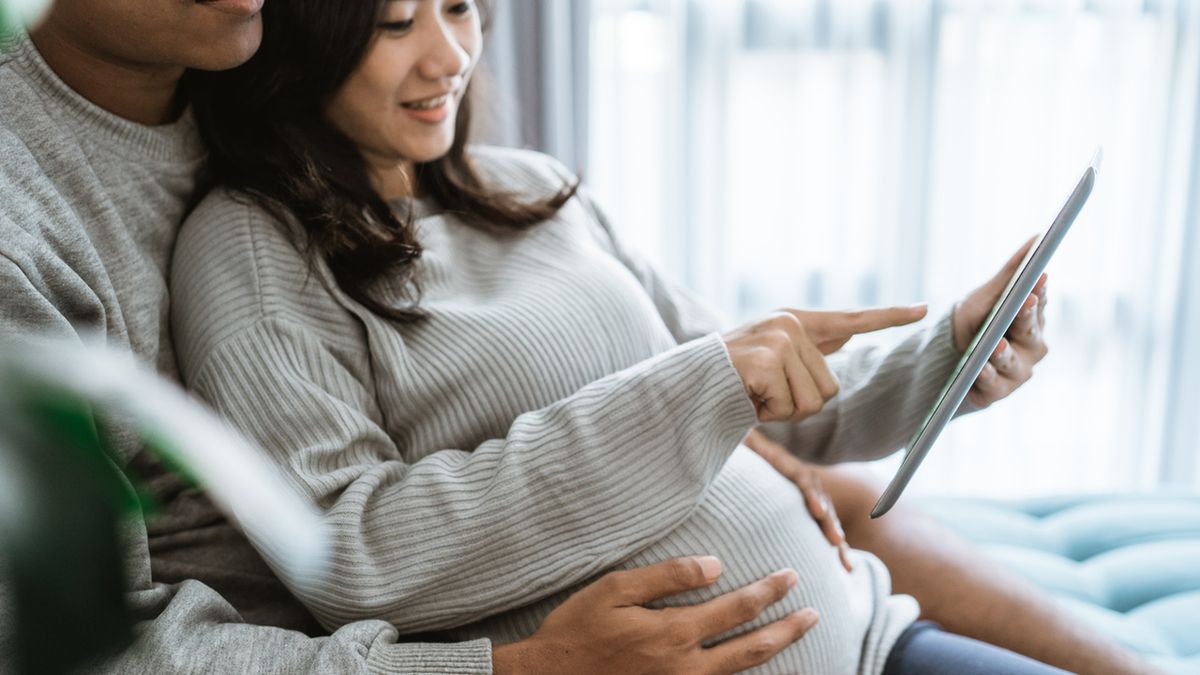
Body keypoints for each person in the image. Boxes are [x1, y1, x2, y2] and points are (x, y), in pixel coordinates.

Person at [170, 1, 1152, 673]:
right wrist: (698, 390)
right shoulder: (251, 250)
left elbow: (768, 398)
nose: (450, 55)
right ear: (303, 36)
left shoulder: (527, 187)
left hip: (871, 635)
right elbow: (349, 553)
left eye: (461, 6)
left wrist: (950, 357)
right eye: (394, 24)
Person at [0, 1, 818, 672]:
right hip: (408, 638)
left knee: (860, 502)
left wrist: (706, 426)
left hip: (771, 591)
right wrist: (518, 669)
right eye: (396, 24)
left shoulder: (246, 70)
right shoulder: (32, 221)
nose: (443, 56)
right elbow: (74, 651)